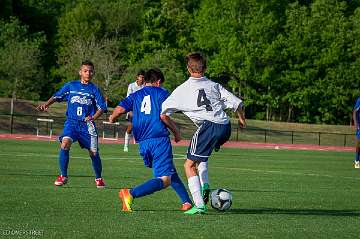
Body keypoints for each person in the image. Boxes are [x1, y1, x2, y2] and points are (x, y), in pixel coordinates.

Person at [161, 52, 246, 214]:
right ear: (205, 68)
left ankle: (199, 205)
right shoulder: (214, 85)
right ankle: (205, 185)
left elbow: (163, 114)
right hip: (225, 127)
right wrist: (242, 120)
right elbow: (238, 104)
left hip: (209, 127)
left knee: (188, 164)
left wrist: (174, 129)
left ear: (188, 69)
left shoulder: (182, 90)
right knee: (201, 155)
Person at [109, 68, 193, 212]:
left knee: (170, 171)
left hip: (143, 142)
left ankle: (187, 202)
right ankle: (130, 193)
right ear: (158, 82)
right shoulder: (162, 93)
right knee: (165, 179)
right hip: (158, 139)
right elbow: (163, 116)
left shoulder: (135, 95)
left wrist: (112, 117)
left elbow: (119, 110)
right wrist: (177, 132)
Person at [36, 60, 107, 188]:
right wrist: (46, 104)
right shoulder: (71, 86)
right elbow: (57, 96)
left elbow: (102, 107)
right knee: (65, 143)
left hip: (87, 126)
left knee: (94, 153)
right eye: (85, 71)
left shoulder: (94, 89)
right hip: (72, 123)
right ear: (80, 72)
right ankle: (63, 176)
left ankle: (99, 178)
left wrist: (93, 117)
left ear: (93, 73)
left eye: (91, 71)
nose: (88, 73)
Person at [123, 70, 145, 152]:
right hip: (132, 110)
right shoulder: (131, 86)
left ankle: (141, 146)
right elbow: (128, 98)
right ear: (137, 77)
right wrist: (130, 110)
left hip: (141, 111)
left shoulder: (145, 86)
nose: (142, 79)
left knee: (142, 128)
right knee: (130, 127)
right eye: (141, 77)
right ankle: (126, 145)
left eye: (143, 77)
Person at [353, 96, 360, 168]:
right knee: (359, 144)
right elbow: (354, 112)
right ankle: (357, 161)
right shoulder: (359, 100)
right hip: (359, 125)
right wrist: (356, 124)